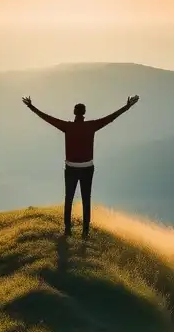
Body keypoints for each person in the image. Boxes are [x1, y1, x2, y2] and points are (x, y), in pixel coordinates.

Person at [22, 94, 140, 238]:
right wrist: (127, 106)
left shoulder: (68, 126)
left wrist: (31, 107)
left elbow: (47, 118)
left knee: (68, 199)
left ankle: (67, 230)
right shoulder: (91, 125)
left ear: (74, 112)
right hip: (87, 168)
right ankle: (85, 232)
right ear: (84, 113)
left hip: (71, 168)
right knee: (86, 199)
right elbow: (111, 117)